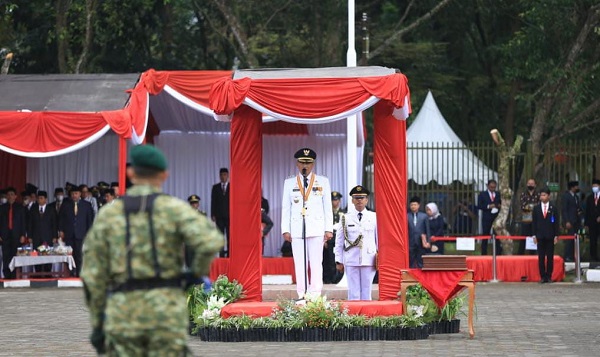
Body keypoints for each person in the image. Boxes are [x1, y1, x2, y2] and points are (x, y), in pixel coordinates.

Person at [80, 144, 223, 356]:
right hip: (165, 309)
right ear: (164, 175)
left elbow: (92, 274)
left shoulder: (110, 214)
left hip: (123, 310)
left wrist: (99, 321)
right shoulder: (174, 209)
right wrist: (194, 274)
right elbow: (211, 240)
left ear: (131, 173)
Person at [281, 147, 333, 299]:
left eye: (308, 163)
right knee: (300, 263)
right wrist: (285, 229)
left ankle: (315, 295)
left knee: (316, 262)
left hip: (316, 228)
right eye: (302, 162)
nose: (305, 166)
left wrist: (328, 228)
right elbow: (286, 207)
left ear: (313, 164)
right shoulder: (289, 182)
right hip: (297, 228)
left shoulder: (323, 181)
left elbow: (327, 207)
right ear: (297, 164)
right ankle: (301, 294)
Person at [334, 185, 377, 300]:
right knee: (353, 292)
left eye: (362, 198)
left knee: (367, 291)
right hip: (351, 259)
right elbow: (339, 241)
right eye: (356, 198)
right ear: (352, 200)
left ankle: (366, 316)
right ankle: (354, 316)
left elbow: (378, 239)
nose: (359, 200)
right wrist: (338, 260)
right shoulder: (345, 218)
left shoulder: (374, 217)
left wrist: (380, 257)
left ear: (367, 200)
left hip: (369, 259)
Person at [58, 184, 93, 277]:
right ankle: (69, 274)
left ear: (80, 194)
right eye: (73, 194)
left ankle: (79, 274)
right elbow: (61, 219)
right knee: (69, 256)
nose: (74, 195)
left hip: (81, 235)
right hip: (68, 234)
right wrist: (61, 230)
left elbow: (90, 221)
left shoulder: (87, 205)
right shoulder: (65, 205)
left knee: (79, 256)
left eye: (76, 193)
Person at [532, 187, 559, 283]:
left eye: (544, 195)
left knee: (550, 257)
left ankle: (549, 276)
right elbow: (534, 223)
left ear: (548, 196)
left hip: (550, 236)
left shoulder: (553, 208)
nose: (542, 197)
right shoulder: (536, 208)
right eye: (541, 195)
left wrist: (556, 235)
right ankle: (543, 276)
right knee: (541, 257)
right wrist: (534, 235)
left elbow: (556, 222)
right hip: (540, 236)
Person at [0, 187, 27, 279]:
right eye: (8, 195)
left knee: (16, 255)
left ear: (15, 196)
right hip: (5, 236)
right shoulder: (2, 208)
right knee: (6, 255)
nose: (10, 196)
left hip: (17, 235)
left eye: (12, 194)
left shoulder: (20, 208)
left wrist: (23, 234)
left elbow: (23, 222)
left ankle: (16, 275)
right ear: (6, 196)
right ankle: (7, 275)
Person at [323, 191, 343, 284]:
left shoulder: (343, 212)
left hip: (340, 240)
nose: (336, 202)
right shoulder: (327, 213)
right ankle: (331, 279)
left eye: (337, 200)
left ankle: (338, 279)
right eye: (334, 200)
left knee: (339, 260)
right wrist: (325, 240)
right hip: (331, 240)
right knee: (330, 260)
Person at [478, 179, 502, 255]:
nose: (492, 189)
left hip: (496, 217)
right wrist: (488, 206)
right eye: (491, 187)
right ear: (488, 186)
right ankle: (484, 253)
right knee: (485, 235)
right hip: (486, 218)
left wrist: (499, 206)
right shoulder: (482, 194)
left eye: (494, 187)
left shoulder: (498, 194)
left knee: (497, 235)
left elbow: (502, 204)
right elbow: (479, 205)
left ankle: (497, 253)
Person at [211, 167, 230, 257]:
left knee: (230, 237)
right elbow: (213, 201)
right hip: (219, 217)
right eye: (221, 175)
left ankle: (230, 255)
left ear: (228, 175)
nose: (223, 177)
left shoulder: (232, 186)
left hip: (230, 216)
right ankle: (221, 255)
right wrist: (213, 214)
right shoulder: (215, 187)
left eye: (225, 175)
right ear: (219, 176)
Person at [561, 181, 582, 262]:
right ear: (572, 187)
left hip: (576, 221)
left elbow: (577, 207)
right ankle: (567, 256)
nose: (577, 188)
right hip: (570, 221)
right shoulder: (566, 196)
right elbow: (564, 210)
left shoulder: (576, 197)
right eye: (576, 186)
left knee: (575, 240)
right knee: (569, 239)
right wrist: (567, 221)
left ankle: (574, 255)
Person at [408, 196, 430, 268]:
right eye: (412, 205)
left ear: (418, 205)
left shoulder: (424, 216)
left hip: (421, 242)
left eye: (415, 205)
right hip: (410, 241)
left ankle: (421, 276)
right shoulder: (406, 216)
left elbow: (427, 230)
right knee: (410, 260)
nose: (413, 206)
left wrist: (428, 241)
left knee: (421, 260)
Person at [519, 178, 540, 255]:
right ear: (527, 184)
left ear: (535, 185)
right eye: (529, 184)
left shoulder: (538, 194)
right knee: (523, 238)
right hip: (526, 220)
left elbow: (539, 206)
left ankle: (532, 254)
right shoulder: (523, 194)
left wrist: (529, 207)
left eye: (532, 184)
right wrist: (533, 207)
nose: (530, 185)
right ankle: (520, 254)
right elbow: (523, 206)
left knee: (534, 237)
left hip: (535, 220)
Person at [584, 179, 600, 261]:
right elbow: (587, 211)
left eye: (596, 186)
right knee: (592, 241)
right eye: (593, 186)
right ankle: (593, 257)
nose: (594, 188)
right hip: (592, 223)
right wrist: (586, 224)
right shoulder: (589, 198)